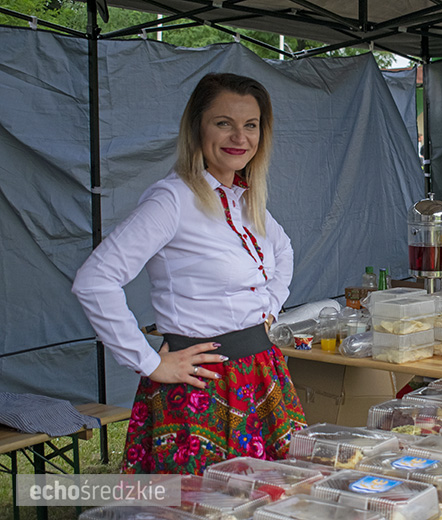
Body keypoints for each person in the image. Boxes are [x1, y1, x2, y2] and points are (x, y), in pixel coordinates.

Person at [72, 73, 306, 474]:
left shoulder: (245, 199)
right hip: (200, 386)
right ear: (197, 126)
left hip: (260, 374)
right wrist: (149, 362)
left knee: (273, 500)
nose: (239, 136)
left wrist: (269, 307)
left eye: (250, 125)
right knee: (199, 506)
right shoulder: (173, 200)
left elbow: (282, 250)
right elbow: (95, 281)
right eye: (223, 123)